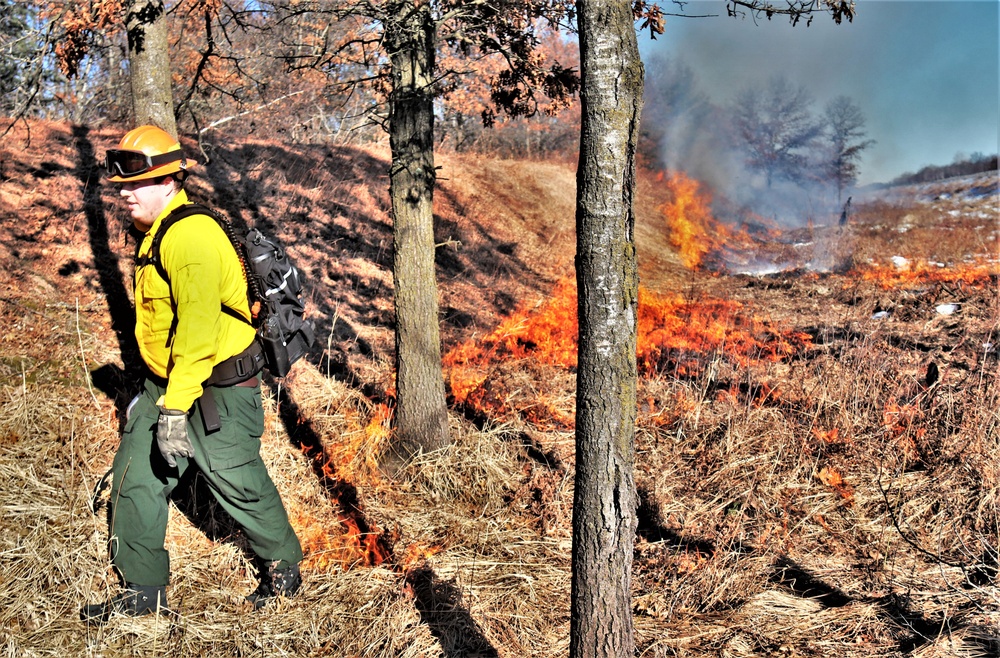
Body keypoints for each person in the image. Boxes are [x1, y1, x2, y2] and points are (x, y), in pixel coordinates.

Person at [81, 125, 303, 623]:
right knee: (136, 477)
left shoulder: (191, 236)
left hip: (217, 388)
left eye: (138, 185)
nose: (126, 196)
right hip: (171, 381)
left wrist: (175, 409)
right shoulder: (154, 234)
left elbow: (199, 332)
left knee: (236, 481)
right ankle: (144, 590)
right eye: (122, 187)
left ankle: (285, 566)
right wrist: (157, 393)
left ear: (170, 182)